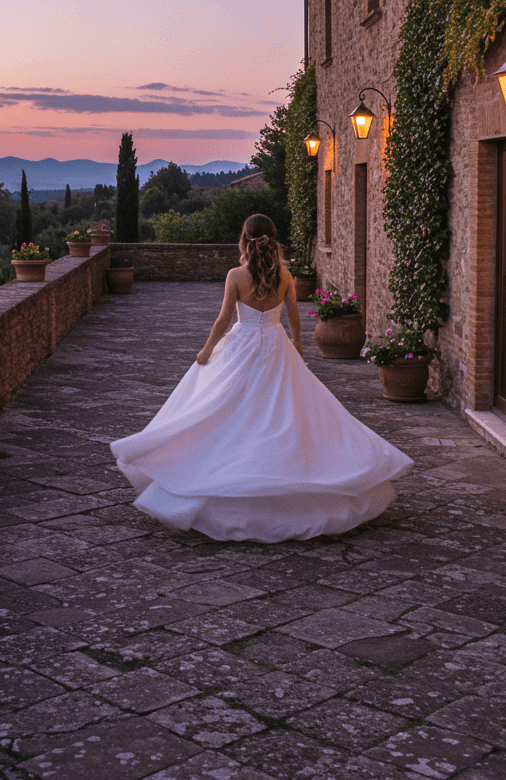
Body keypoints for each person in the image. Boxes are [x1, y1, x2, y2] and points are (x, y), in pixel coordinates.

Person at [110, 214, 413, 543]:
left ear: (245, 239)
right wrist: (296, 345)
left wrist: (206, 350)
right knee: (283, 412)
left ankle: (217, 477)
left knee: (227, 408)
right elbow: (294, 317)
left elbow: (224, 319)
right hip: (274, 345)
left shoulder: (236, 275)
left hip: (242, 346)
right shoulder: (284, 274)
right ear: (272, 239)